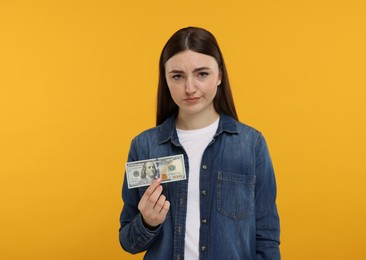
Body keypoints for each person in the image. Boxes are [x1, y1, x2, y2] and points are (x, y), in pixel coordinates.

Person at [119, 26, 281, 259]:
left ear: (220, 76)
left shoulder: (251, 145)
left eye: (202, 74)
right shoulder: (144, 147)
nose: (190, 88)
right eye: (177, 76)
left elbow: (266, 238)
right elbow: (128, 241)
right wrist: (147, 223)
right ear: (165, 79)